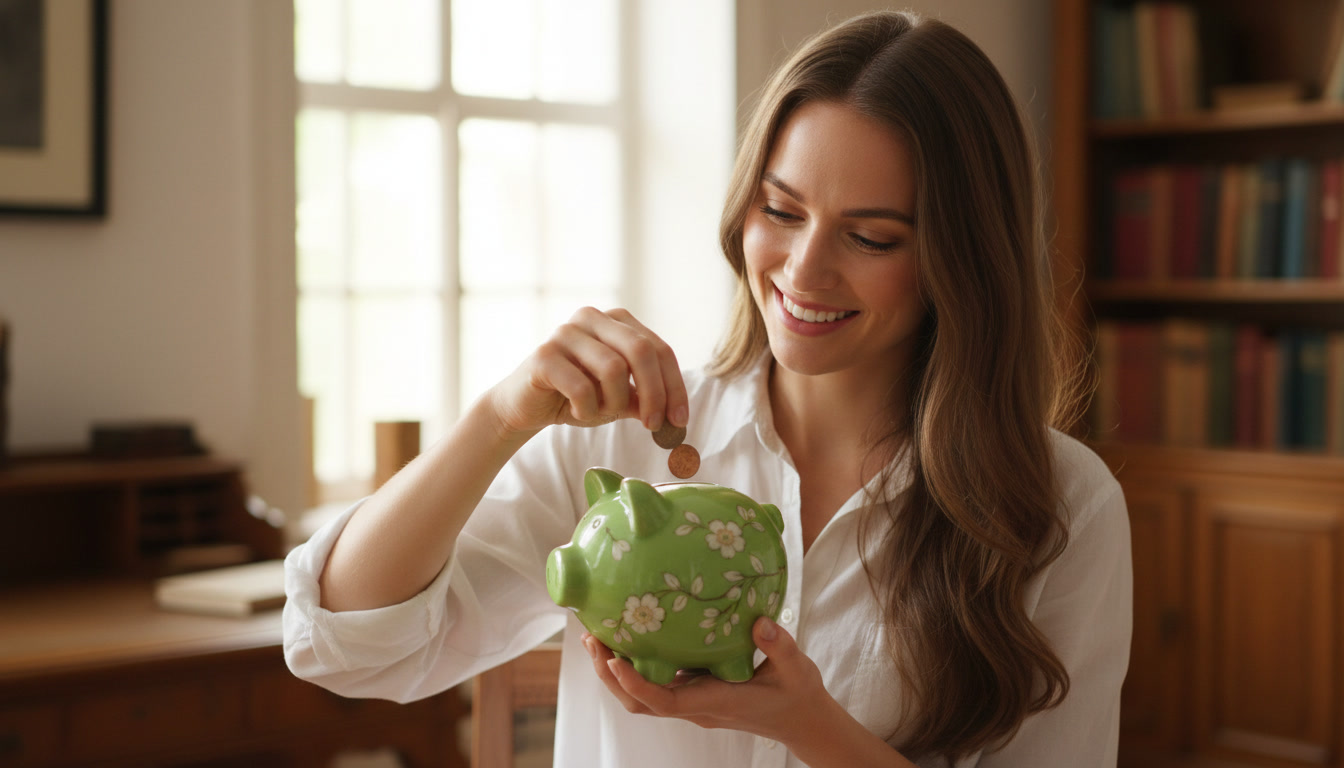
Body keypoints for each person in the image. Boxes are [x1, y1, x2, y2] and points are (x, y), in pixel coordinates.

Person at [283, 9, 1132, 768]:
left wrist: (812, 728)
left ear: (964, 261)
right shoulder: (614, 446)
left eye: (871, 238)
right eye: (782, 211)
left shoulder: (1058, 505)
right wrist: (500, 417)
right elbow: (345, 647)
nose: (804, 272)